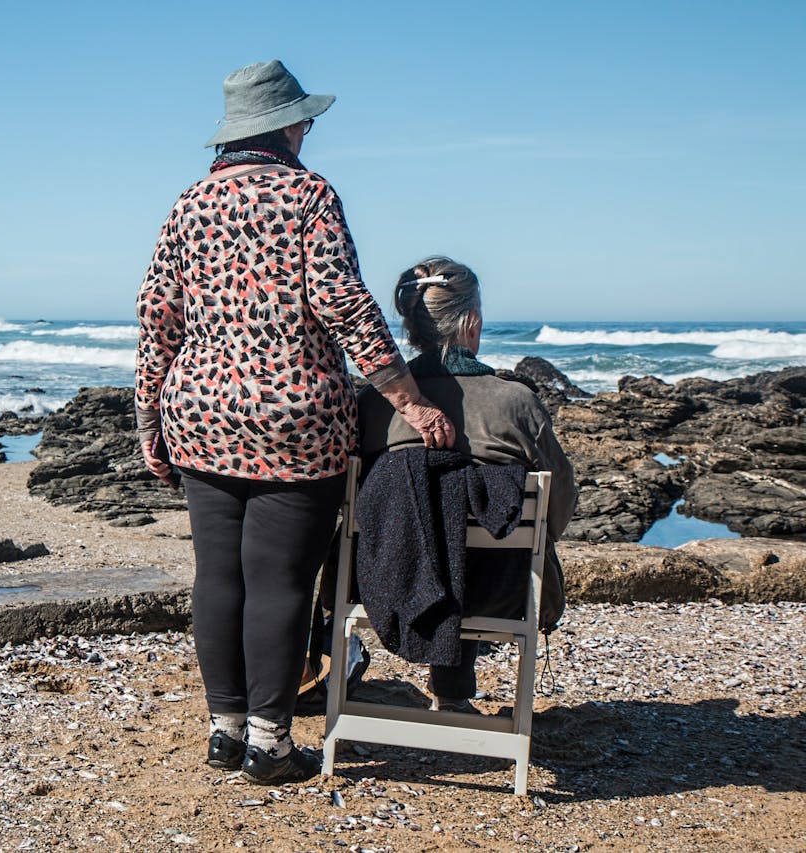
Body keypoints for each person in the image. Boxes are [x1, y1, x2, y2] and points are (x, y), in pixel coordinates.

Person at [135, 60, 456, 783]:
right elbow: (344, 302)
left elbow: (157, 316)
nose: (308, 128)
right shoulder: (309, 195)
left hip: (201, 411)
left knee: (217, 575)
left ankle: (224, 730)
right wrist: (408, 397)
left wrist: (148, 418)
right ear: (284, 125)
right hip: (296, 418)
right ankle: (269, 743)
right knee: (279, 580)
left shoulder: (189, 203)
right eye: (303, 118)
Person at [355, 256, 577, 713]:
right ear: (471, 321)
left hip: (385, 583)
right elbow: (559, 504)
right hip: (499, 589)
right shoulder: (515, 402)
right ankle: (454, 696)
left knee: (426, 526)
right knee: (476, 541)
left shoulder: (374, 403)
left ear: (412, 326)